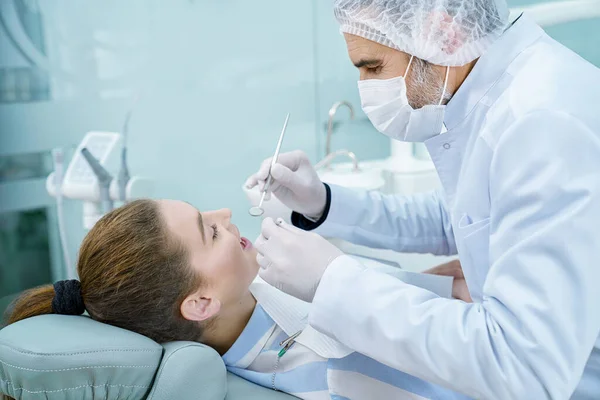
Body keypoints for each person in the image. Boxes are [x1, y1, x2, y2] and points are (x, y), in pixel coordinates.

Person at [246, 0, 600, 399]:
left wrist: (336, 283)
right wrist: (323, 204)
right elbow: (460, 217)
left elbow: (523, 367)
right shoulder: (496, 93)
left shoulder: (540, 122)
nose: (365, 88)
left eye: (374, 67)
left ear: (444, 34)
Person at [4, 199, 470, 400]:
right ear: (201, 304)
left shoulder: (267, 299)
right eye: (209, 231)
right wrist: (341, 281)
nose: (225, 214)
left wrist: (428, 283)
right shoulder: (323, 370)